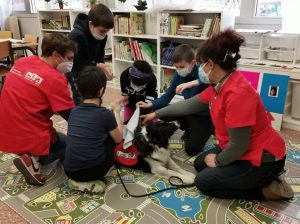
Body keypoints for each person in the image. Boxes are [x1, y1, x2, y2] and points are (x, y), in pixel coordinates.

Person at [141, 29, 294, 201]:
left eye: (202, 64)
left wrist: (219, 161)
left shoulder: (238, 94)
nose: (200, 69)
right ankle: (238, 173)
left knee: (204, 182)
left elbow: (239, 145)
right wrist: (155, 113)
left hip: (262, 158)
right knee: (200, 164)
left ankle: (267, 188)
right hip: (241, 148)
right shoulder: (219, 85)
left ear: (211, 64)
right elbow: (188, 105)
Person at [0, 33, 76, 186]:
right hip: (30, 133)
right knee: (68, 145)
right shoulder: (56, 78)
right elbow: (72, 117)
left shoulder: (22, 62)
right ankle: (34, 159)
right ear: (56, 55)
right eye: (69, 58)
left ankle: (29, 155)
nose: (71, 63)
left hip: (6, 128)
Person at [137, 44, 213, 156]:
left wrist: (192, 83)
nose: (178, 70)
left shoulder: (203, 73)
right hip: (187, 110)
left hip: (203, 115)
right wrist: (149, 104)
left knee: (192, 150)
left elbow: (212, 80)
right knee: (159, 113)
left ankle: (207, 129)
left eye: (181, 67)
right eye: (176, 67)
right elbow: (167, 97)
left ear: (192, 63)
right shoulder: (178, 74)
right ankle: (188, 126)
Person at [64, 66, 123, 193]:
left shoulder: (73, 111)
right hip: (93, 171)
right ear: (101, 90)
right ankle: (89, 182)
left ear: (79, 90)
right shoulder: (104, 114)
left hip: (69, 170)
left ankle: (76, 182)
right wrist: (117, 113)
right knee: (112, 138)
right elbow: (119, 138)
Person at [68, 4, 114, 104]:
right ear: (91, 24)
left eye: (107, 32)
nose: (104, 34)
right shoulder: (76, 36)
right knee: (81, 97)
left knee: (96, 95)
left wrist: (104, 70)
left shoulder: (101, 36)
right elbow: (75, 63)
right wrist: (97, 65)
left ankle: (94, 115)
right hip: (75, 70)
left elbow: (100, 56)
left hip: (90, 68)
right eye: (102, 31)